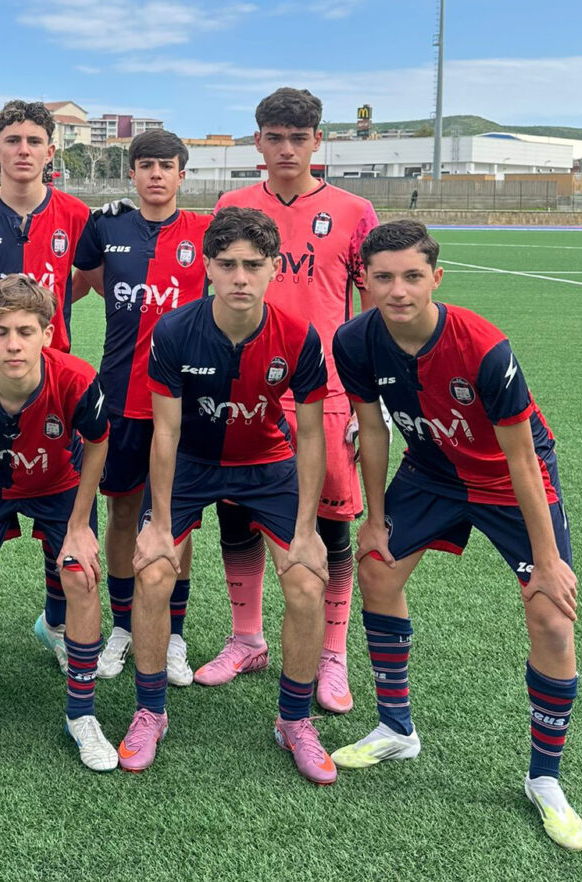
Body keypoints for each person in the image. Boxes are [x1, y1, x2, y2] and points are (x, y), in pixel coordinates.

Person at [331, 220, 582, 851]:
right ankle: (397, 729)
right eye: (384, 277)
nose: (398, 290)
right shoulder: (354, 340)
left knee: (552, 617)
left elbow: (522, 459)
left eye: (412, 276)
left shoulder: (483, 346)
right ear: (365, 280)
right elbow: (373, 429)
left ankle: (544, 779)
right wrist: (375, 517)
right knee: (377, 568)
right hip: (431, 472)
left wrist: (547, 561)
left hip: (506, 478)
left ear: (436, 279)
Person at [119, 207, 334, 784]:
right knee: (154, 573)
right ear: (208, 267)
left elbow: (310, 435)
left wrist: (307, 530)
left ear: (274, 269)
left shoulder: (299, 336)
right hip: (191, 463)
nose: (241, 277)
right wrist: (158, 524)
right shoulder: (174, 331)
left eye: (253, 265)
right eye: (228, 264)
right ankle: (150, 711)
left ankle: (295, 720)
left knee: (307, 581)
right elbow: (166, 433)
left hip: (265, 464)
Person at [197, 88, 378, 715]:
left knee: (329, 526)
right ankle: (246, 638)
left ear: (317, 141)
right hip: (245, 391)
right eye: (275, 137)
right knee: (237, 513)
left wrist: (369, 399)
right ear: (258, 141)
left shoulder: (354, 211)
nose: (286, 149)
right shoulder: (232, 205)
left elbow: (372, 314)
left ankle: (331, 653)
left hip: (323, 394)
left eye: (298, 138)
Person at [0, 275, 114, 771]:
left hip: (59, 481)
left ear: (46, 335)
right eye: (2, 331)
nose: (14, 344)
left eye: (26, 332)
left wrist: (79, 525)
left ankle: (82, 716)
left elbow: (98, 443)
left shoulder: (76, 379)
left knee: (81, 575)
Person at [0, 100, 92, 674]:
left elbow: (88, 279)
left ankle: (56, 623)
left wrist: (42, 319)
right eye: (12, 140)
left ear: (50, 151)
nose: (23, 150)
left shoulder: (77, 214)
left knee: (58, 500)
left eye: (33, 141)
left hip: (51, 382)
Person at [71, 129, 211, 685]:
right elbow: (84, 281)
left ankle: (173, 635)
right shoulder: (107, 226)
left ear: (181, 174)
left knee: (174, 518)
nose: (156, 174)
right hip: (120, 395)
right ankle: (124, 626)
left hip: (181, 402)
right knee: (124, 513)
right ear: (131, 173)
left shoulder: (204, 231)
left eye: (166, 166)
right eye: (146, 165)